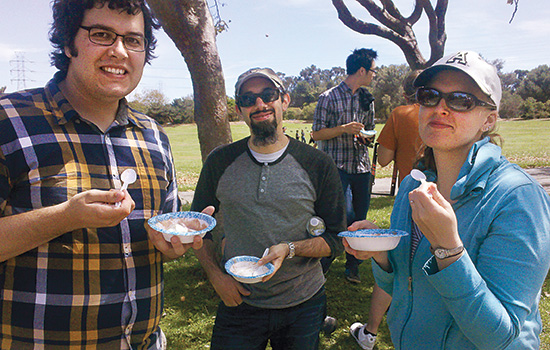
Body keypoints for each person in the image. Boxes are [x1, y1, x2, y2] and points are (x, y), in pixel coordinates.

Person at [0, 1, 207, 348]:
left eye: (133, 40)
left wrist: (174, 244)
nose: (119, 51)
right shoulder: (9, 122)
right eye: (102, 35)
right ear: (69, 44)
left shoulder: (154, 136)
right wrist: (66, 217)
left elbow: (165, 238)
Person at [344, 51, 550, 349]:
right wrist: (380, 254)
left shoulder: (518, 199)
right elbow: (399, 287)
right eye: (430, 96)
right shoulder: (412, 188)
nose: (440, 108)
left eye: (461, 100)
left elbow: (500, 337)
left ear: (489, 119)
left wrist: (448, 250)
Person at [191, 67, 346, 350]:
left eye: (268, 95)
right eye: (249, 99)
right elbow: (198, 227)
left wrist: (290, 248)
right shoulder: (220, 161)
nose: (259, 104)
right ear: (239, 110)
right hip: (239, 300)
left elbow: (336, 239)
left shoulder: (317, 164)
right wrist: (216, 277)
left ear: (284, 100)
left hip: (304, 303)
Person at [312, 48, 378, 284]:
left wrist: (366, 137)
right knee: (339, 217)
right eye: (372, 70)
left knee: (359, 218)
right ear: (361, 70)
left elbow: (369, 131)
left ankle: (353, 267)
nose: (373, 75)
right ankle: (323, 261)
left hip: (361, 168)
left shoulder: (367, 98)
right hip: (336, 168)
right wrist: (343, 129)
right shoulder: (328, 97)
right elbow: (316, 133)